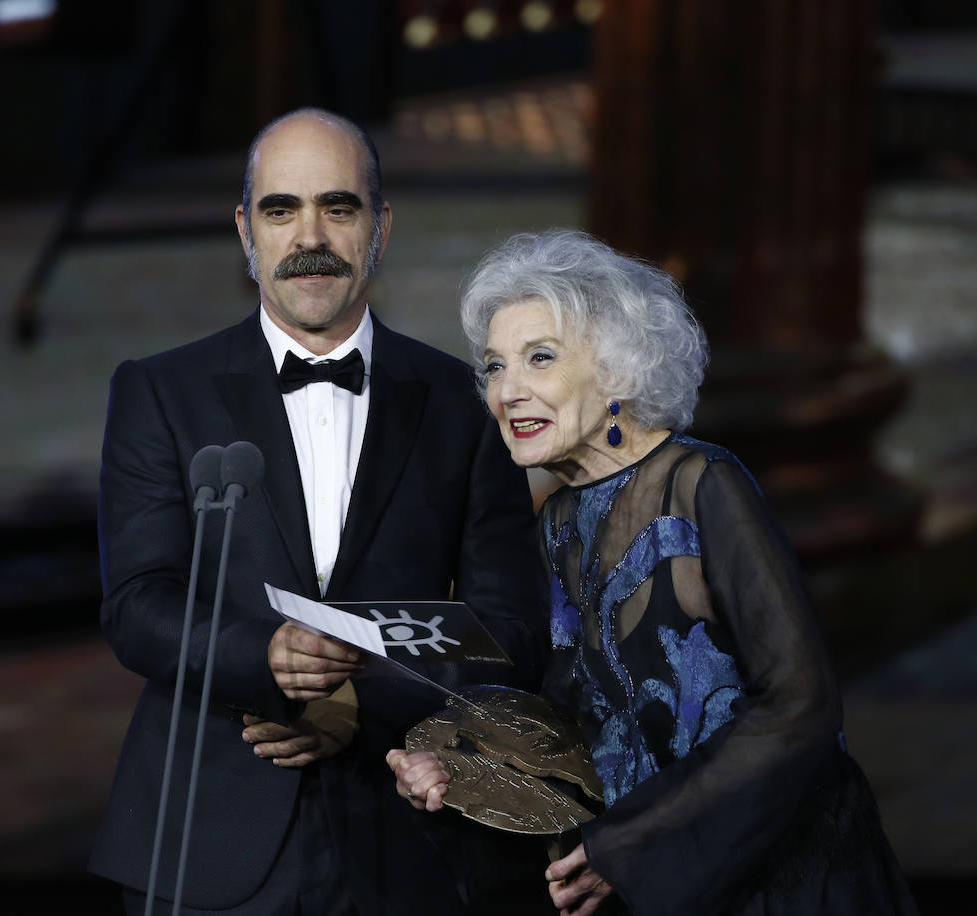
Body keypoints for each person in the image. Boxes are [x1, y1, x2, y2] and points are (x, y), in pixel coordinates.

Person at [88, 108, 552, 915]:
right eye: (280, 209)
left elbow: (510, 630)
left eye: (339, 207)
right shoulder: (160, 392)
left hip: (415, 834)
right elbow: (137, 605)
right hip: (210, 836)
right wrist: (264, 660)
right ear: (245, 229)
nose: (311, 235)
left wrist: (359, 699)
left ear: (380, 227)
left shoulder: (462, 401)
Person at [389, 229, 921, 915]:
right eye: (494, 367)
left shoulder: (703, 485)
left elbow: (800, 705)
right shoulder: (560, 520)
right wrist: (458, 767)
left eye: (539, 359)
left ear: (615, 371)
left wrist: (633, 845)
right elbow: (578, 724)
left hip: (788, 879)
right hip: (665, 888)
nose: (507, 392)